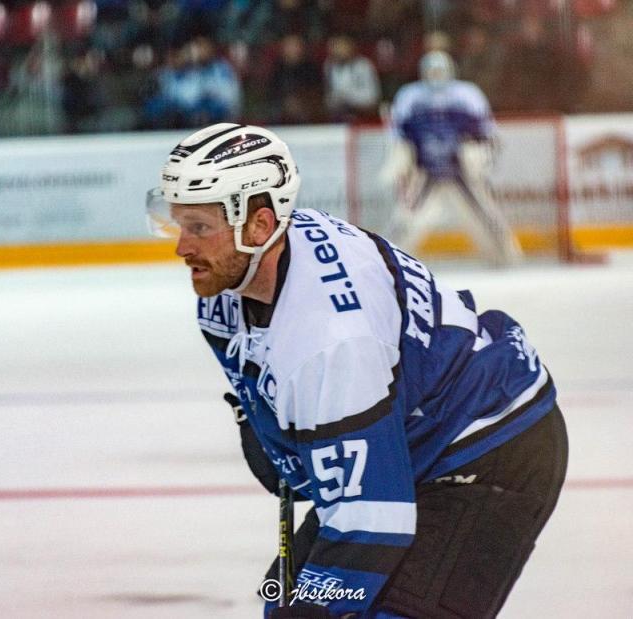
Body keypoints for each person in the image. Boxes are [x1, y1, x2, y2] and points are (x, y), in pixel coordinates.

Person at [146, 123, 568, 618]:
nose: (181, 247)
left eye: (199, 228)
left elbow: (371, 523)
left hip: (488, 445)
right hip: (408, 444)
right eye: (178, 224)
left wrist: (316, 609)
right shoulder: (228, 297)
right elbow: (305, 466)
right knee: (281, 601)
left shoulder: (331, 337)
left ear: (258, 226)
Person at [385, 50, 522, 266]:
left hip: (461, 167)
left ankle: (505, 255)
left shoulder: (467, 94)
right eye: (431, 70)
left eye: (440, 70)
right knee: (406, 214)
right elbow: (399, 136)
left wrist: (482, 160)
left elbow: (486, 133)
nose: (435, 75)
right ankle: (389, 259)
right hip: (425, 167)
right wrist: (403, 164)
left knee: (485, 212)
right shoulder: (410, 95)